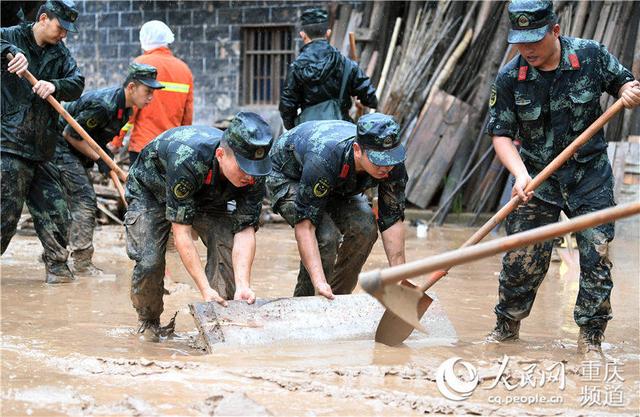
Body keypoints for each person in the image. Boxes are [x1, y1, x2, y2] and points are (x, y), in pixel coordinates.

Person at [485, 0, 640, 356]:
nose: (527, 50)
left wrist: (628, 91)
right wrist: (521, 174)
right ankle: (505, 332)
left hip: (589, 176)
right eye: (520, 42)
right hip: (537, 179)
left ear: (555, 30)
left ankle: (591, 340)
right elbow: (501, 134)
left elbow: (625, 84)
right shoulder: (510, 78)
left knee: (596, 254)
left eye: (535, 40)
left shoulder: (590, 56)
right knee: (521, 260)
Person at [124, 112, 273, 341]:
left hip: (210, 195)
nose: (250, 178)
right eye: (244, 169)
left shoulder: (253, 172)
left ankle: (220, 317)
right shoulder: (187, 158)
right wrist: (204, 289)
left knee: (225, 239)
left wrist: (243, 284)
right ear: (221, 155)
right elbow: (181, 231)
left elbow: (245, 229)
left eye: (254, 170)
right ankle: (149, 321)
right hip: (152, 191)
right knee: (149, 260)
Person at [267, 113, 408, 299]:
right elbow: (305, 227)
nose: (386, 167)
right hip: (288, 175)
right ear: (358, 150)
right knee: (326, 236)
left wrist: (401, 279)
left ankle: (338, 299)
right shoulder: (324, 157)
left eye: (390, 159)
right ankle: (306, 302)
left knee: (365, 228)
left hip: (338, 183)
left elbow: (392, 219)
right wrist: (319, 282)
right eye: (379, 160)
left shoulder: (392, 164)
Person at [1, 0, 85, 283]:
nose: (63, 35)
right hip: (9, 144)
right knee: (5, 215)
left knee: (57, 211)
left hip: (43, 148)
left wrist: (56, 85)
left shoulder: (60, 54)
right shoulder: (11, 36)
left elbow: (77, 81)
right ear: (44, 18)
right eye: (61, 28)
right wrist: (11, 52)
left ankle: (59, 270)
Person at [54, 63, 164, 274]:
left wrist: (105, 154)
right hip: (58, 146)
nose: (151, 97)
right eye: (147, 91)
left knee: (68, 202)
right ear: (132, 87)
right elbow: (71, 134)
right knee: (85, 200)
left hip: (73, 148)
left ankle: (54, 255)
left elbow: (92, 135)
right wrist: (100, 158)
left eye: (153, 92)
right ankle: (82, 264)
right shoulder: (105, 105)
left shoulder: (126, 109)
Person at [278, 8, 378, 130]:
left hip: (309, 132)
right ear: (328, 33)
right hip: (341, 130)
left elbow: (287, 106)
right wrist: (359, 101)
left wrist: (294, 128)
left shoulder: (296, 68)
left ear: (303, 35)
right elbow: (371, 99)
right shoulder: (346, 64)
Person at [110, 20, 194, 164]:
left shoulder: (141, 64)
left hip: (143, 145)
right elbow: (187, 117)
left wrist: (116, 141)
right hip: (171, 149)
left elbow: (129, 108)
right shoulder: (184, 70)